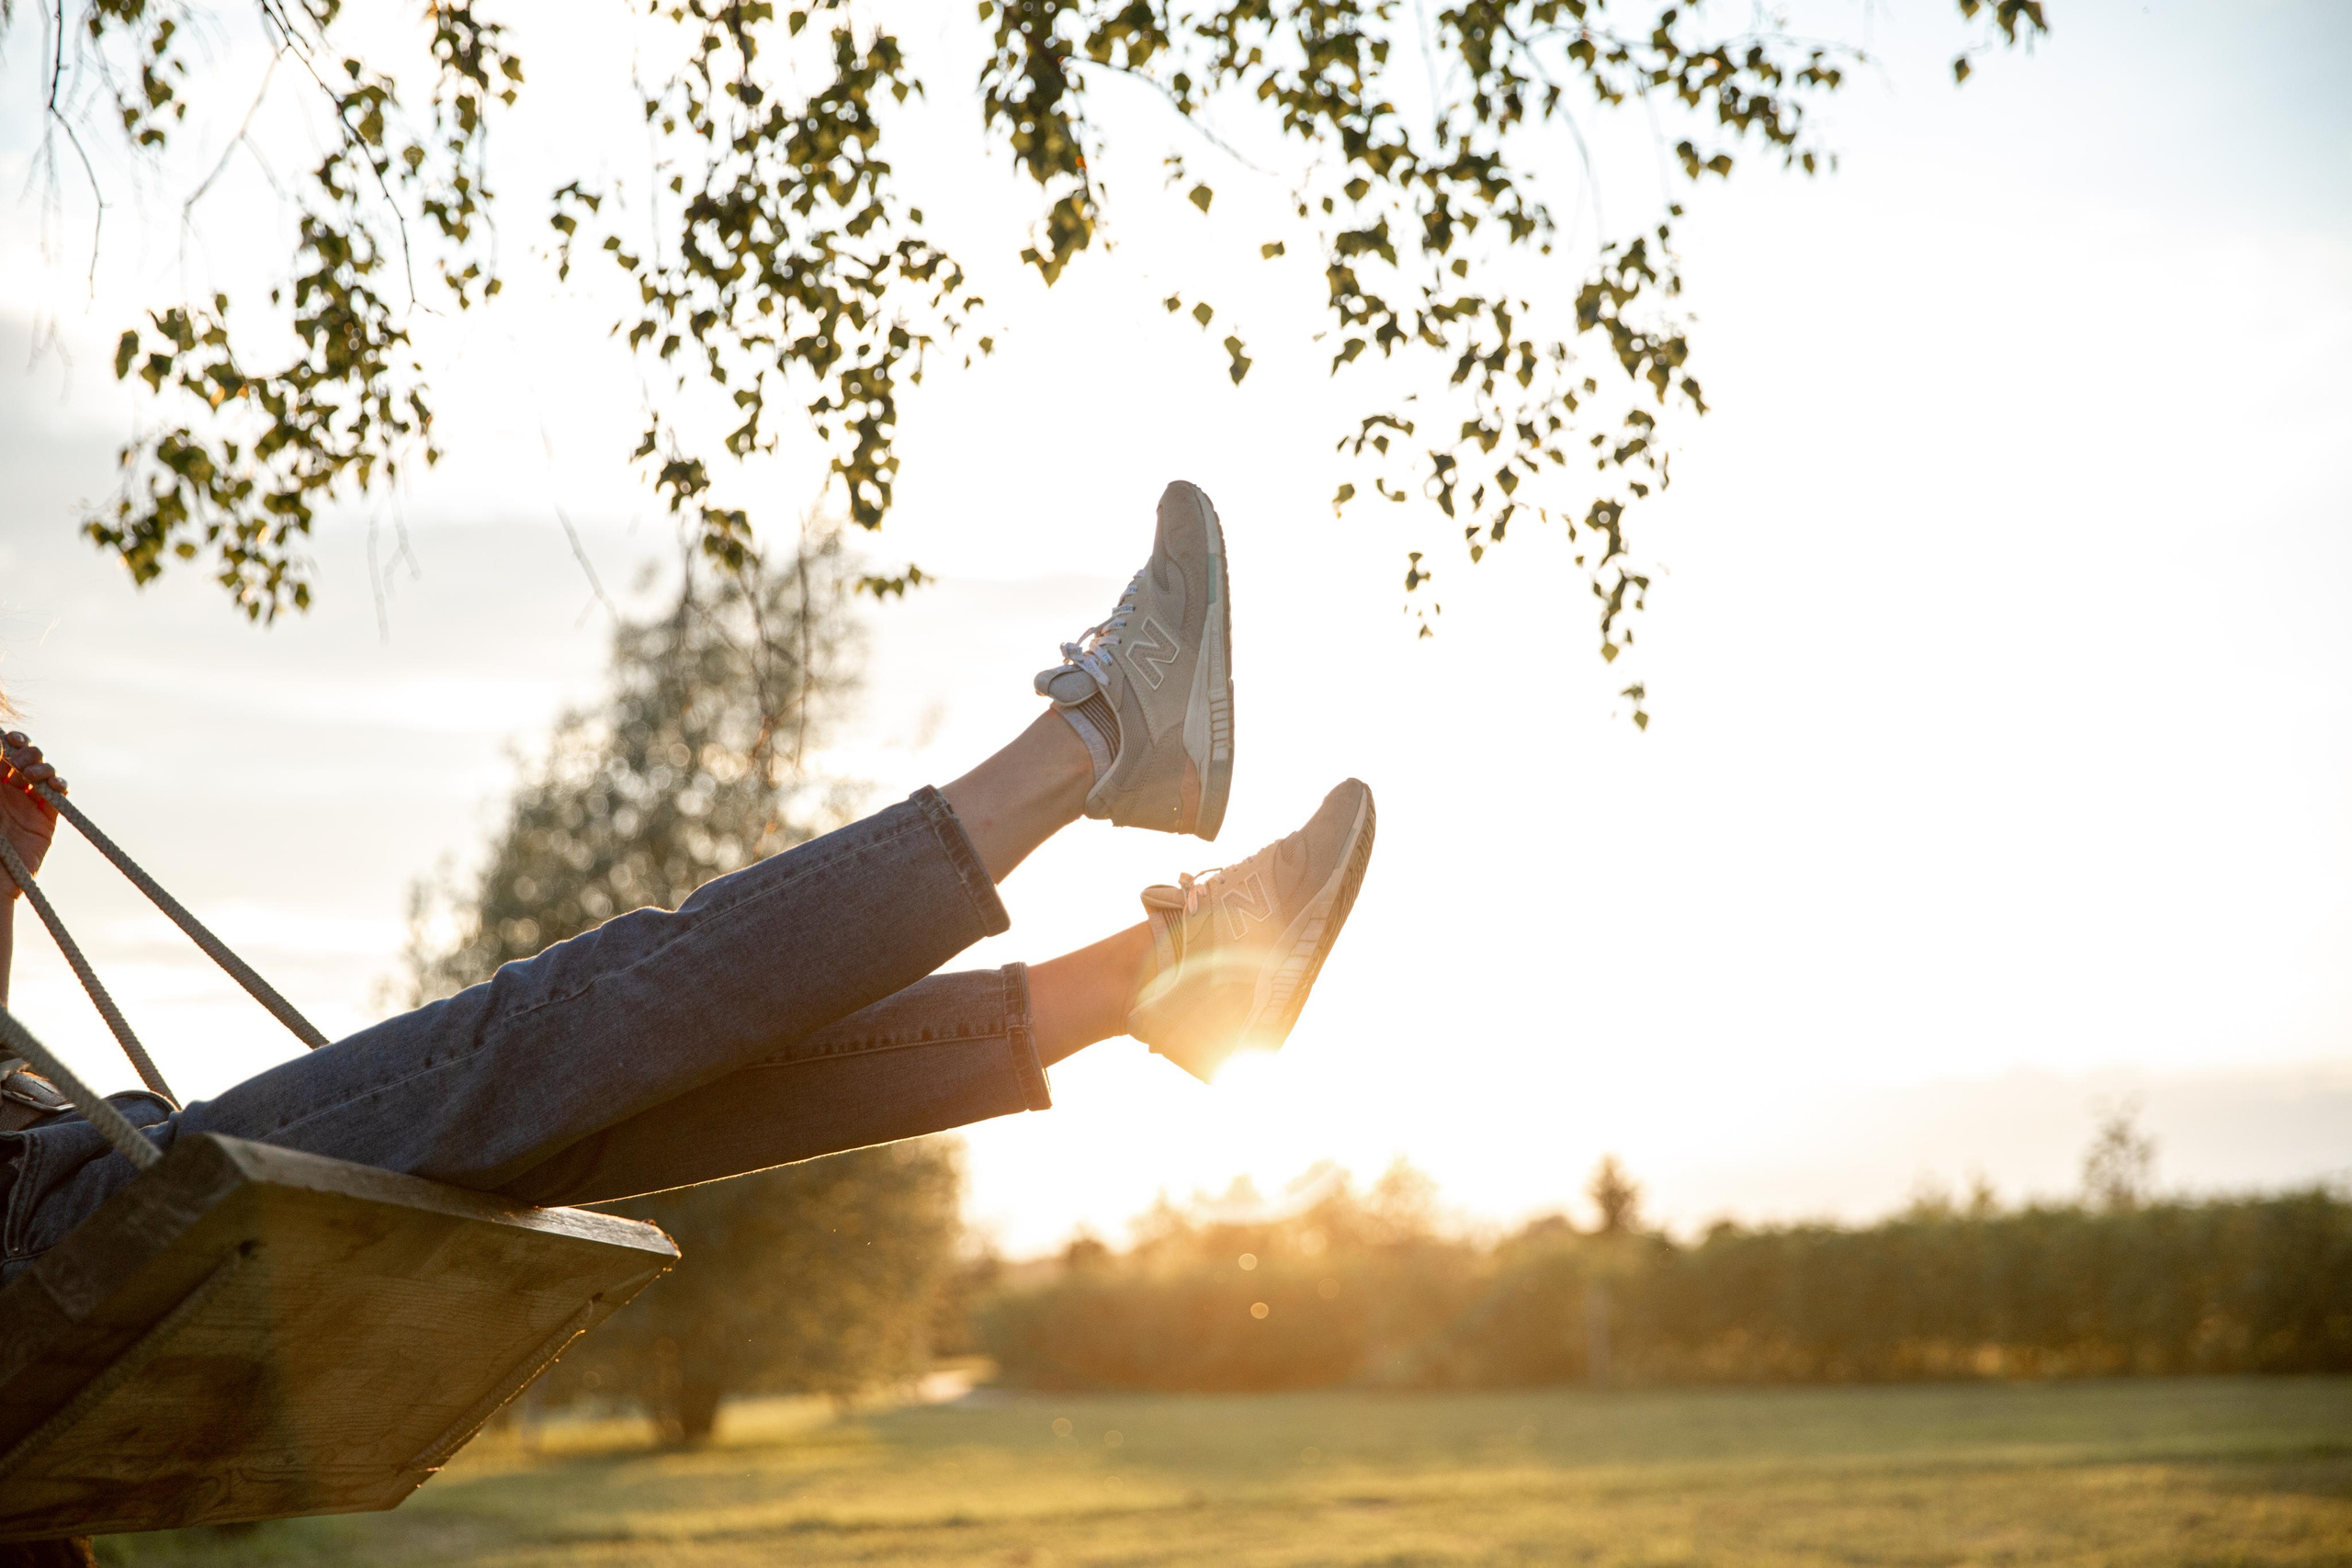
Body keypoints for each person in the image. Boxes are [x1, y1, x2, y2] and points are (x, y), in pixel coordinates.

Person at [0, 481, 1376, 1286]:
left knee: (649, 1082)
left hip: (74, 1186)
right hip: (61, 1232)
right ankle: (1094, 744)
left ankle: (1163, 980)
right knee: (540, 1029)